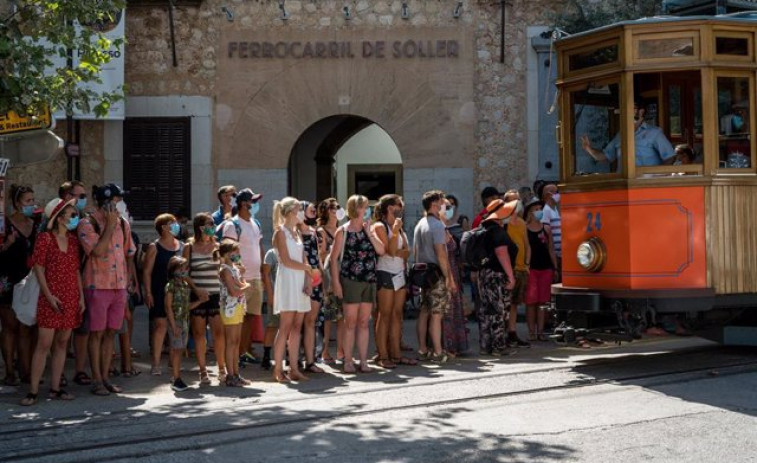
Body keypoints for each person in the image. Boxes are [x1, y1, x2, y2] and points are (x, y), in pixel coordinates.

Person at [21, 199, 84, 406]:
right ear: (59, 217)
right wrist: (49, 296)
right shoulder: (45, 239)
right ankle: (33, 391)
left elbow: (76, 271)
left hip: (70, 296)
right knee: (43, 344)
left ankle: (56, 388)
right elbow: (38, 268)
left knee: (62, 343)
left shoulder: (74, 242)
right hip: (51, 296)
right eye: (72, 214)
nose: (75, 218)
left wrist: (81, 297)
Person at [78, 184, 137, 396]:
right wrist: (110, 227)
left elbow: (129, 252)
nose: (119, 204)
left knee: (111, 332)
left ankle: (105, 376)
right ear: (106, 202)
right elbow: (98, 251)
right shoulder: (88, 223)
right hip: (97, 285)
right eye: (116, 200)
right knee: (97, 333)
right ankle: (96, 380)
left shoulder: (123, 223)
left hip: (119, 285)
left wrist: (130, 280)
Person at [330, 195, 385, 374]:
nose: (367, 209)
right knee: (350, 322)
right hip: (350, 280)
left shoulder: (369, 229)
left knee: (363, 322)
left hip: (368, 280)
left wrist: (369, 233)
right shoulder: (343, 231)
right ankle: (347, 360)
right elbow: (333, 260)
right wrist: (336, 283)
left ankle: (363, 360)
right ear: (356, 208)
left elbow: (381, 250)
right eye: (363, 206)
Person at [220, 188, 265, 366]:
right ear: (243, 204)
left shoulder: (256, 223)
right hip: (239, 279)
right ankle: (233, 356)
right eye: (252, 201)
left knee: (251, 317)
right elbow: (227, 250)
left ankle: (243, 352)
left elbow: (259, 246)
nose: (255, 204)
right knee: (236, 319)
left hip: (256, 277)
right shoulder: (233, 225)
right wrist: (238, 269)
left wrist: (261, 268)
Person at [272, 198, 315, 382]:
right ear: (290, 212)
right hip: (288, 281)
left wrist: (308, 280)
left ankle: (294, 368)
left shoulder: (296, 232)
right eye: (298, 209)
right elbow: (287, 260)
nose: (301, 213)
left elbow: (304, 259)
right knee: (285, 326)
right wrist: (307, 270)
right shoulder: (280, 233)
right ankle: (278, 369)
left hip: (299, 280)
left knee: (297, 326)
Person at [0, 184, 38, 386]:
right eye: (28, 201)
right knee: (9, 326)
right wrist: (7, 245)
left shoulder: (35, 225)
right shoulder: (4, 224)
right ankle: (9, 371)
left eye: (33, 200)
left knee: (26, 326)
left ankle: (26, 370)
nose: (32, 204)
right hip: (7, 280)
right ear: (16, 203)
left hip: (28, 281)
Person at [413, 190, 456, 363]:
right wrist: (449, 277)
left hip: (423, 274)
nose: (444, 204)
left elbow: (416, 251)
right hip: (436, 274)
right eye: (441, 201)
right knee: (437, 314)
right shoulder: (437, 226)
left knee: (425, 312)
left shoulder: (420, 223)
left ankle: (423, 348)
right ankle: (438, 352)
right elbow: (441, 253)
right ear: (434, 204)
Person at [183, 212, 226, 385]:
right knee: (199, 334)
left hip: (216, 294)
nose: (213, 227)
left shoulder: (217, 245)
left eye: (213, 224)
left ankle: (222, 368)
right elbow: (183, 272)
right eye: (209, 224)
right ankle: (203, 371)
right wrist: (196, 289)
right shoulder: (189, 247)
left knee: (219, 333)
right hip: (198, 294)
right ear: (200, 227)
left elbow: (223, 269)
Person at [373, 194, 414, 369]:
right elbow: (389, 251)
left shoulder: (399, 227)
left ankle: (396, 354)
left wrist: (398, 248)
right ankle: (383, 355)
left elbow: (407, 252)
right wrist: (395, 232)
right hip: (385, 272)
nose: (401, 209)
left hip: (399, 273)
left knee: (398, 314)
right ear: (390, 208)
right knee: (385, 315)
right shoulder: (380, 226)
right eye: (399, 206)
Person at [143, 213, 184, 376]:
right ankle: (156, 363)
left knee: (176, 327)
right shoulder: (155, 247)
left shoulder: (182, 246)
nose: (176, 225)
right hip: (159, 290)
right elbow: (146, 271)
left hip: (178, 292)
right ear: (163, 227)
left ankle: (172, 361)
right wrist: (148, 292)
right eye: (172, 223)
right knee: (160, 326)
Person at [580, 98, 676, 168]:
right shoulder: (621, 135)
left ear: (641, 112)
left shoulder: (654, 133)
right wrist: (589, 149)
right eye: (625, 110)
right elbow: (605, 156)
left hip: (646, 188)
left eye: (631, 109)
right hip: (625, 189)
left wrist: (655, 178)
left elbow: (670, 157)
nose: (627, 113)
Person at [477, 199, 517, 356]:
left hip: (484, 274)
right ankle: (499, 346)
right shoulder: (497, 231)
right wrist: (510, 276)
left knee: (486, 310)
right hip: (497, 275)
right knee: (498, 311)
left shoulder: (484, 228)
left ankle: (486, 346)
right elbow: (502, 253)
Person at [164, 256, 207, 392]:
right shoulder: (171, 285)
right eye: (181, 268)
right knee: (177, 350)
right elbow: (168, 307)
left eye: (185, 268)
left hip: (184, 321)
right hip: (176, 321)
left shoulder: (184, 285)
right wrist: (173, 324)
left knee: (180, 350)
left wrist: (200, 301)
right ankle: (176, 378)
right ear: (174, 270)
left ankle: (176, 376)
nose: (184, 270)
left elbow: (186, 306)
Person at [439, 196, 469, 358]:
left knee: (455, 309)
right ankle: (446, 345)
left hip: (456, 270)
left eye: (451, 206)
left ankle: (456, 344)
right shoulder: (438, 227)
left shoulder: (458, 226)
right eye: (446, 206)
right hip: (445, 271)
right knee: (446, 311)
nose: (449, 209)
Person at [316, 198, 345, 363]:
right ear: (326, 211)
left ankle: (341, 350)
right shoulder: (321, 231)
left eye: (338, 208)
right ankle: (325, 351)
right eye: (333, 208)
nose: (336, 211)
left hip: (343, 273)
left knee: (342, 316)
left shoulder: (342, 229)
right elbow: (321, 255)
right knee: (329, 314)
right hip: (329, 274)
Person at [218, 240, 250, 386]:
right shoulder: (225, 269)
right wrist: (246, 286)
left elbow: (241, 284)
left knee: (236, 342)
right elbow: (234, 291)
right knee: (231, 342)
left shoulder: (234, 269)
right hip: (229, 308)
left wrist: (242, 275)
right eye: (234, 252)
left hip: (237, 307)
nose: (238, 255)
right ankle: (230, 375)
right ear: (225, 254)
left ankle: (236, 373)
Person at [524, 201, 557, 341]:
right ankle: (531, 332)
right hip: (531, 268)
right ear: (529, 213)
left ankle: (541, 332)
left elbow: (551, 249)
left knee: (543, 302)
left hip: (545, 268)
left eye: (540, 209)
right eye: (535, 209)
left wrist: (555, 267)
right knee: (531, 302)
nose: (539, 211)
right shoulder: (524, 228)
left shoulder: (546, 229)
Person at [298, 201, 325, 374]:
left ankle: (310, 360)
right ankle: (294, 359)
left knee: (310, 321)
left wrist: (323, 276)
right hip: (300, 279)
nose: (314, 209)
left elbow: (318, 257)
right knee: (296, 322)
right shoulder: (294, 232)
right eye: (310, 208)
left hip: (315, 279)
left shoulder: (314, 232)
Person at [503, 190, 531, 348]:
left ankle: (512, 332)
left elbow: (527, 244)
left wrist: (527, 264)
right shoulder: (503, 222)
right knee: (505, 303)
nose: (517, 203)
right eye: (514, 200)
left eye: (518, 200)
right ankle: (503, 332)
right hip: (509, 269)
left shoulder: (521, 223)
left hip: (521, 269)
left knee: (514, 303)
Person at [260, 246, 278, 370]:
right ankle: (266, 356)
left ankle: (289, 357)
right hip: (276, 295)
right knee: (272, 325)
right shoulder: (271, 253)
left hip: (290, 296)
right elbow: (265, 275)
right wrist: (270, 295)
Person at [540, 184, 562, 279]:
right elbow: (546, 232)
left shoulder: (555, 209)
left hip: (560, 254)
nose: (559, 195)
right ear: (549, 195)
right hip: (554, 255)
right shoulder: (546, 211)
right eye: (556, 192)